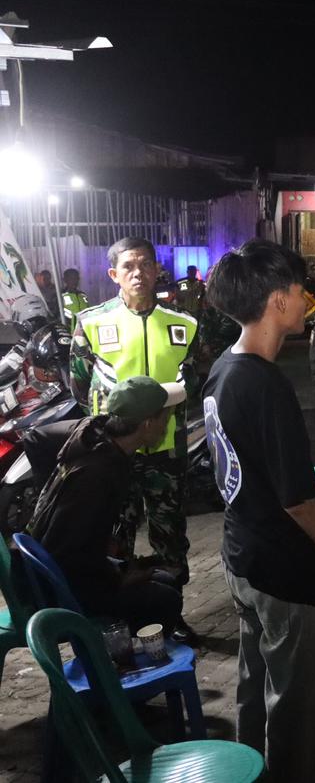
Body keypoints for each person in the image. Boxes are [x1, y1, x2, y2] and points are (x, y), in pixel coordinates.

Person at [203, 240, 315, 783]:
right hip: (281, 568)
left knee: (255, 677)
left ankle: (253, 767)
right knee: (297, 696)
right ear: (278, 299)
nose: (307, 298)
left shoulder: (224, 368)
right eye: (300, 288)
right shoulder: (264, 385)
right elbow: (298, 500)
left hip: (242, 555)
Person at [69, 237, 200, 635]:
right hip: (114, 453)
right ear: (114, 274)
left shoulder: (184, 323)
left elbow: (194, 380)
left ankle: (171, 615)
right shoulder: (91, 322)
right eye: (128, 266)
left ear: (158, 270)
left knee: (170, 535)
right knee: (114, 536)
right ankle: (120, 619)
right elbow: (79, 385)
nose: (138, 273)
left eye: (145, 264)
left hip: (166, 450)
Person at [26, 376, 187, 635]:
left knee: (165, 579)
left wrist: (47, 496)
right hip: (58, 585)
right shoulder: (98, 475)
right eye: (165, 418)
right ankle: (122, 656)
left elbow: (35, 437)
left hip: (66, 565)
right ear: (147, 424)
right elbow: (70, 555)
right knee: (164, 599)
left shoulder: (93, 432)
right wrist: (119, 578)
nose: (167, 427)